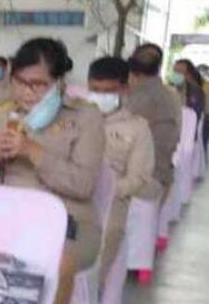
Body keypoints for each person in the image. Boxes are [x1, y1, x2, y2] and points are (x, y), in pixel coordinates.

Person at [0, 38, 105, 304]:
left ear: (59, 82)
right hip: (8, 216)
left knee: (59, 260)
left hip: (68, 221)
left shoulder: (85, 117)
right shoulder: (6, 115)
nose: (27, 92)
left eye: (39, 84)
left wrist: (33, 152)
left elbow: (83, 185)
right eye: (20, 82)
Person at [87, 57, 156, 286]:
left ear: (124, 90)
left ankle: (92, 292)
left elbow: (139, 177)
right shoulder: (76, 118)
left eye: (108, 91)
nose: (100, 96)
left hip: (111, 202)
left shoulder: (137, 128)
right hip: (71, 195)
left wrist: (105, 188)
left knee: (107, 237)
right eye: (95, 90)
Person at [126, 43, 181, 203]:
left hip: (147, 179)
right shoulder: (170, 95)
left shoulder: (140, 98)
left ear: (132, 71)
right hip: (163, 173)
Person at [172, 58, 206, 127]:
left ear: (188, 75)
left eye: (179, 72)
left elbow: (194, 114)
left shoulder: (196, 92)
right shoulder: (169, 89)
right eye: (174, 71)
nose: (175, 75)